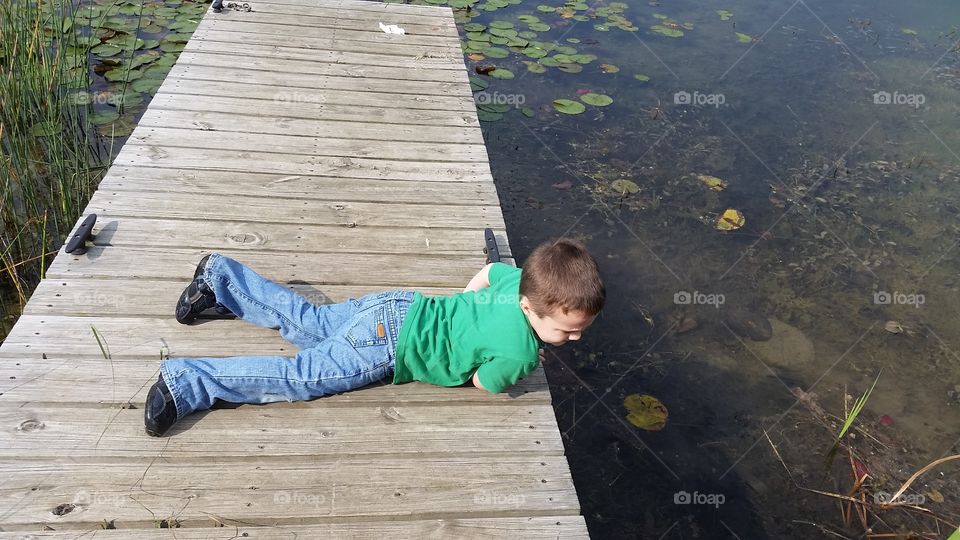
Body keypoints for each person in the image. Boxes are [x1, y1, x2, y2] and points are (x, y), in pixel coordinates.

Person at [144, 238, 605, 436]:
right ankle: (187, 383)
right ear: (531, 307)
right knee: (302, 376)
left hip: (398, 306)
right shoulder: (522, 351)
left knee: (311, 322)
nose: (574, 339)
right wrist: (511, 365)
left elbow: (487, 273)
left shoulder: (523, 280)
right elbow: (486, 383)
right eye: (567, 330)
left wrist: (461, 305)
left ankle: (220, 278)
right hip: (387, 346)